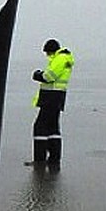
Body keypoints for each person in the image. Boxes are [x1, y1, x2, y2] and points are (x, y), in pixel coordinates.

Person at [28, 39, 74, 168]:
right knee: (53, 128)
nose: (47, 56)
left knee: (40, 127)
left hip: (50, 98)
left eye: (47, 52)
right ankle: (54, 158)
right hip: (57, 97)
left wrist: (37, 74)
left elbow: (48, 77)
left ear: (51, 50)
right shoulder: (64, 59)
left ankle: (39, 159)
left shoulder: (60, 59)